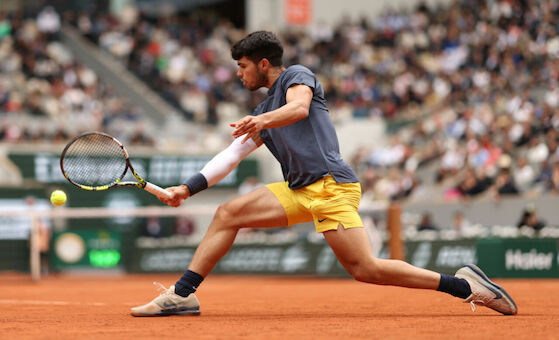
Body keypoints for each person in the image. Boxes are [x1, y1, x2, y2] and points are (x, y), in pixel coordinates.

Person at [131, 31, 517, 317]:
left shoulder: (297, 76)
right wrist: (186, 187)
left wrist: (261, 119)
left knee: (366, 270)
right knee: (227, 213)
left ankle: (466, 286)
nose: (238, 74)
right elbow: (232, 155)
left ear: (263, 64)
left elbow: (298, 109)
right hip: (298, 189)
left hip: (332, 186)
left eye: (242, 66)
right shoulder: (265, 109)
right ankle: (183, 294)